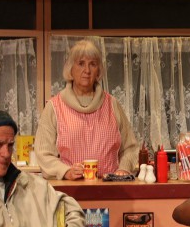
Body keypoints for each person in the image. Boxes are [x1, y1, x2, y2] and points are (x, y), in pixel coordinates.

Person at [34, 39, 140, 180]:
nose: (87, 70)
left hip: (110, 190)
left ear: (99, 71)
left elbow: (130, 148)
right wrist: (65, 171)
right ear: (70, 68)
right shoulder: (54, 107)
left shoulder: (112, 104)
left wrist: (124, 169)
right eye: (81, 63)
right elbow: (43, 153)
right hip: (69, 191)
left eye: (93, 64)